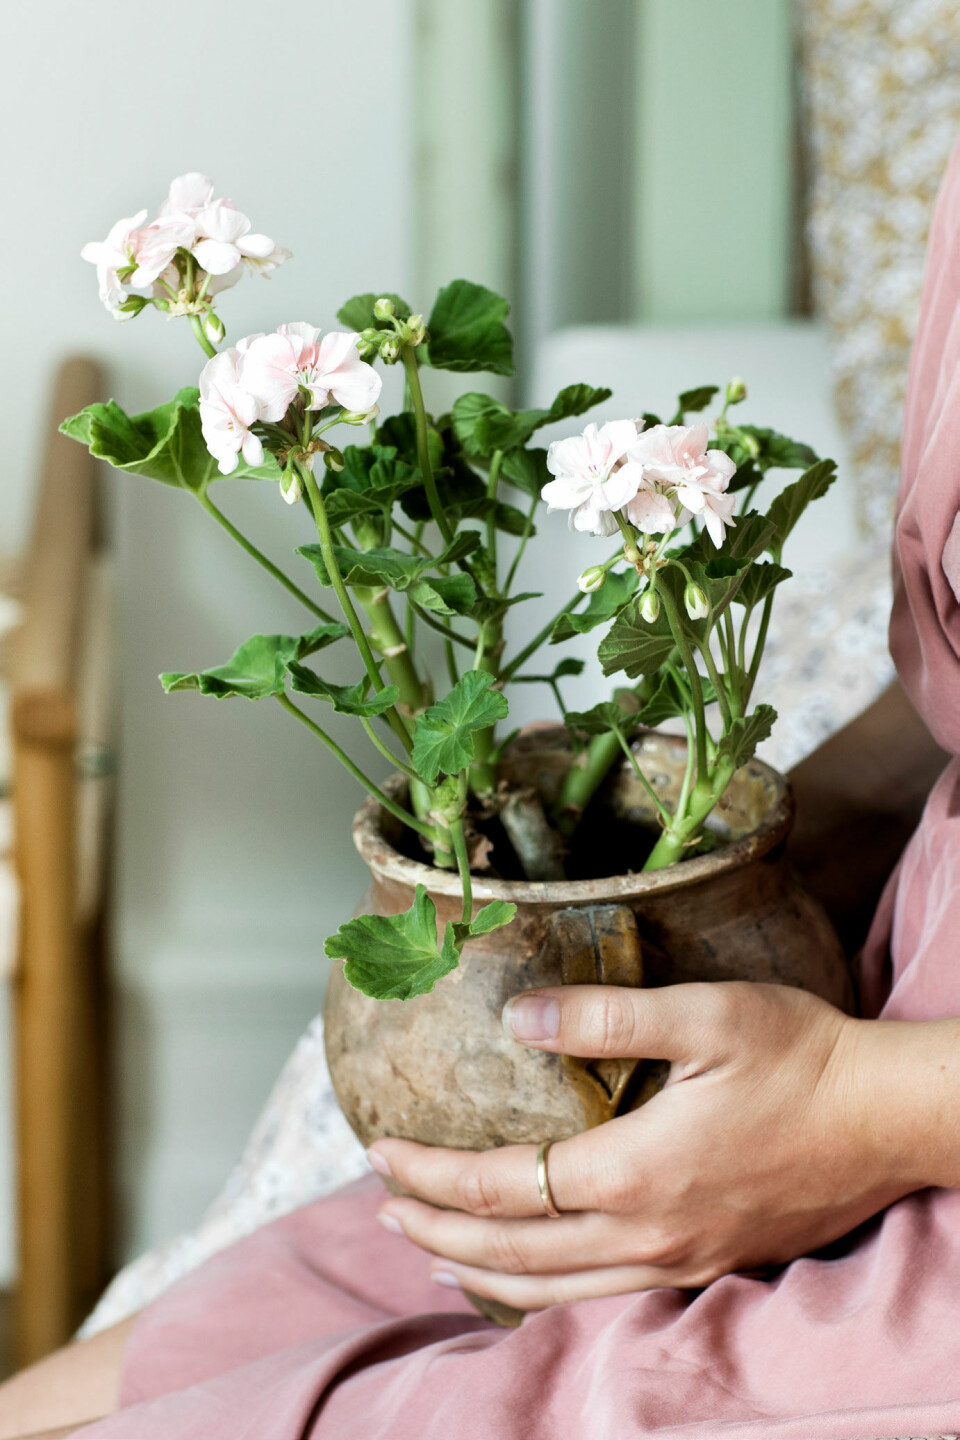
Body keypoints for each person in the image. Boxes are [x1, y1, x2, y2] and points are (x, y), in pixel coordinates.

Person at [8, 138, 960, 1440]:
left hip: (906, 1169)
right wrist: (724, 873)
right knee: (97, 1384)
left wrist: (860, 1116)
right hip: (847, 1030)